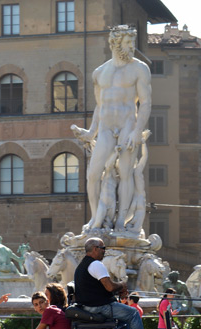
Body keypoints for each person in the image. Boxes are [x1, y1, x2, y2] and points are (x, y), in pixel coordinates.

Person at [71, 25, 151, 233]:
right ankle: (96, 219)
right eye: (128, 42)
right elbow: (100, 105)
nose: (132, 47)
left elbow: (146, 102)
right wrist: (91, 132)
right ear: (116, 43)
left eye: (132, 42)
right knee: (93, 175)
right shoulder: (99, 73)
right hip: (106, 128)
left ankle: (121, 220)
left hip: (127, 125)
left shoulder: (139, 69)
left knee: (125, 172)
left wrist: (137, 131)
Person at [74, 238, 159, 329]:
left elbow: (98, 288)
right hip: (98, 306)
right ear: (95, 249)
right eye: (103, 248)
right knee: (133, 313)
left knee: (123, 317)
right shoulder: (96, 264)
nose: (104, 251)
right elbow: (109, 287)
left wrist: (117, 289)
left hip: (88, 306)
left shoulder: (82, 266)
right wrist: (122, 285)